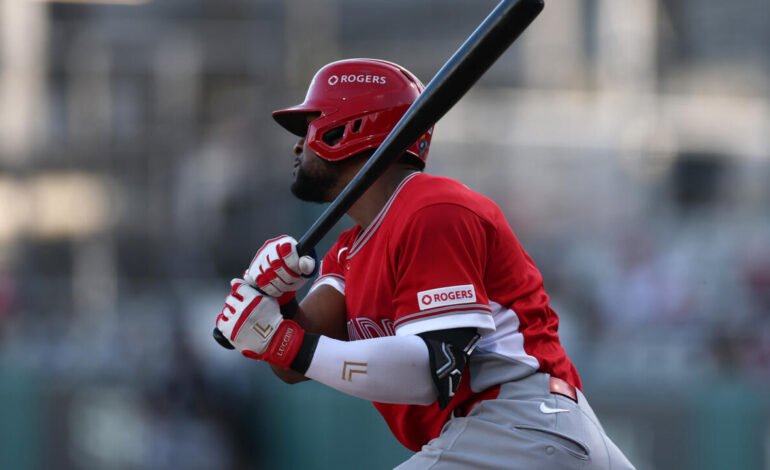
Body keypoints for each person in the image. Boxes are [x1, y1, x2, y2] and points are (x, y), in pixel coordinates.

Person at [215, 58, 634, 469]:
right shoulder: (348, 250)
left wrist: (284, 342)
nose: (298, 144)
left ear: (347, 128)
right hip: (512, 436)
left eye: (310, 126)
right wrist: (278, 304)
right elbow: (296, 363)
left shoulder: (433, 208)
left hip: (519, 424)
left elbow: (431, 369)